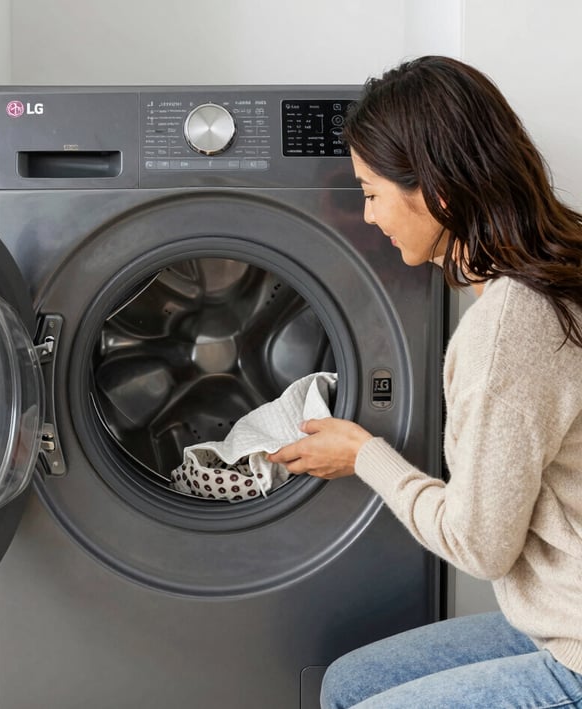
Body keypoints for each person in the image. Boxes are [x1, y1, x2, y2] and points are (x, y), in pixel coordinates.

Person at [267, 55, 582, 708]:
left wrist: (363, 455)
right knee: (347, 685)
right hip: (556, 620)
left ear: (436, 191)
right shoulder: (555, 261)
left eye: (372, 190)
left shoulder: (509, 325)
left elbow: (479, 544)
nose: (370, 214)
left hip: (575, 651)